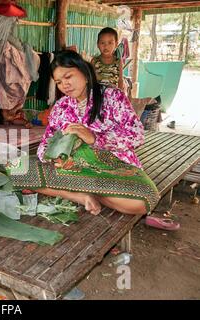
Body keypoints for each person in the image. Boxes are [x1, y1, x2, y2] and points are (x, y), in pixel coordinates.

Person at [12, 50, 159, 216]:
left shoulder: (111, 96)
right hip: (72, 169)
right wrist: (54, 156)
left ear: (85, 72)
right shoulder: (61, 107)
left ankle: (80, 190)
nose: (64, 85)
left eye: (68, 77)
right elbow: (44, 145)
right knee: (15, 168)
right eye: (59, 82)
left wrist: (95, 138)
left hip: (110, 167)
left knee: (143, 202)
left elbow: (137, 135)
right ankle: (81, 196)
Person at [91, 27, 124, 91]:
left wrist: (121, 95)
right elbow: (91, 80)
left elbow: (120, 81)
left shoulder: (118, 62)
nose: (106, 46)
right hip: (98, 97)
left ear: (116, 44)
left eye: (110, 43)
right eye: (102, 43)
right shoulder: (94, 61)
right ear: (97, 44)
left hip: (113, 97)